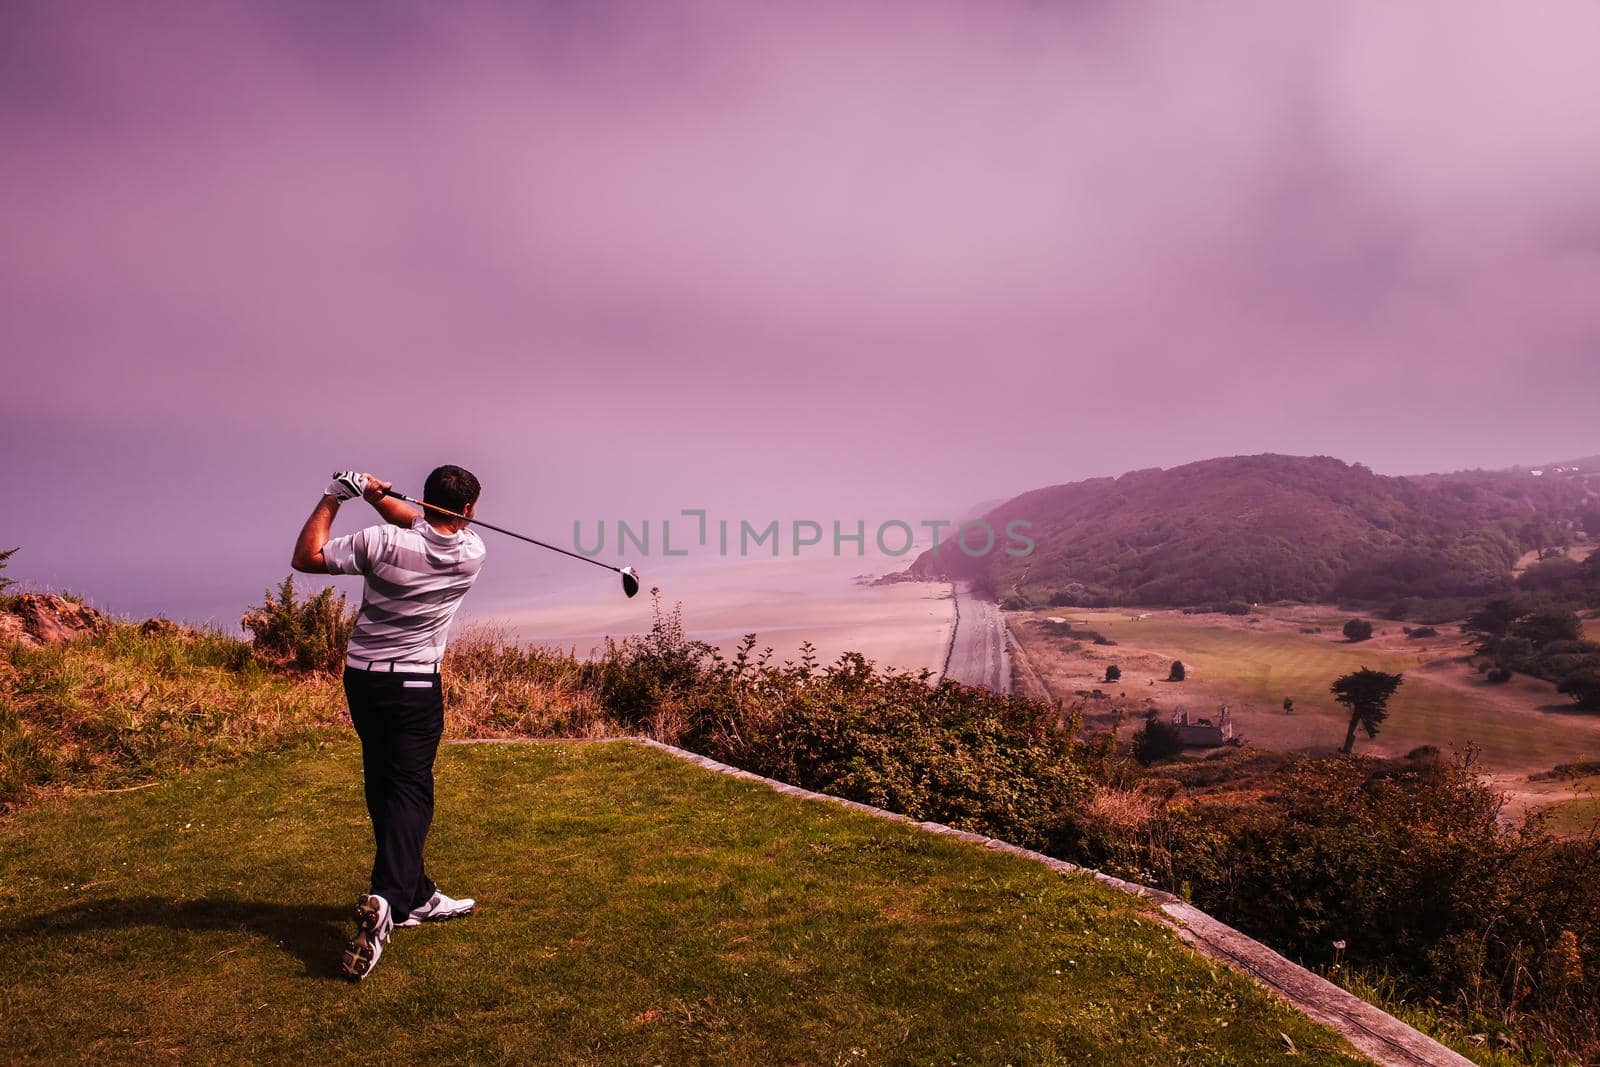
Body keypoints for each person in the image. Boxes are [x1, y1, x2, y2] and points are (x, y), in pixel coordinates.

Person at [291, 466, 487, 980]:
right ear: (467, 511)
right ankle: (385, 899)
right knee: (411, 792)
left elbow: (306, 557)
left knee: (382, 783)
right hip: (417, 685)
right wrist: (380, 499)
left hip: (364, 681)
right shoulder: (472, 554)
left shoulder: (380, 542)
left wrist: (339, 496)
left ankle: (415, 895)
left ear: (425, 501)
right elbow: (425, 525)